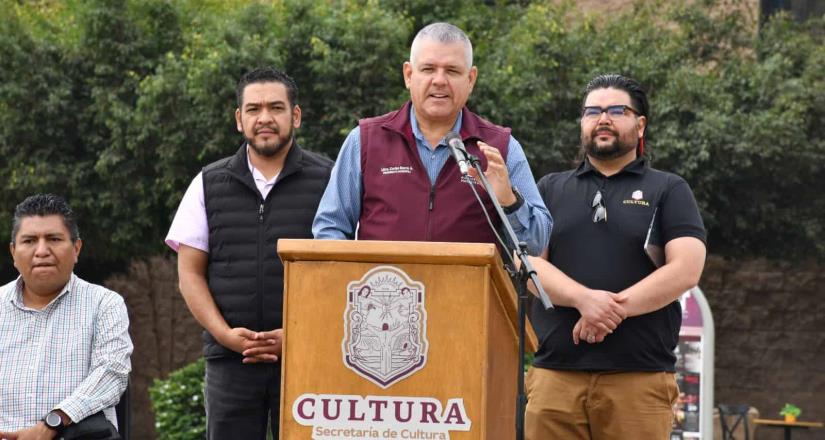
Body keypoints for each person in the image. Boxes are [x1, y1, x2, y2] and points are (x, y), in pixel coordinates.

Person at [525, 74, 707, 439]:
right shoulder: (549, 188)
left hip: (638, 380)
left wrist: (609, 311)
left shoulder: (668, 189)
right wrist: (584, 300)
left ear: (640, 125)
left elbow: (687, 268)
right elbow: (528, 263)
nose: (602, 118)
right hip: (555, 378)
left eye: (616, 110)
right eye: (592, 111)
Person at [165, 67, 332, 439]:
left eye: (276, 107)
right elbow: (189, 274)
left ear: (296, 115)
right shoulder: (208, 182)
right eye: (254, 109)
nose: (265, 118)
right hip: (230, 361)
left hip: (309, 356)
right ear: (240, 119)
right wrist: (225, 335)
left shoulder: (330, 180)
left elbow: (346, 274)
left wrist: (299, 334)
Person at [312, 22, 550, 254]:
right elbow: (329, 228)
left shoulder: (499, 148)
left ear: (470, 80)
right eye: (428, 69)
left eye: (452, 71)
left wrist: (509, 200)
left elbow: (536, 243)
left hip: (468, 293)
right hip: (383, 291)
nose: (439, 80)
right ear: (408, 75)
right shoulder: (365, 141)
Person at [0, 194, 132, 439]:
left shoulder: (104, 304)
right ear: (13, 252)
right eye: (29, 240)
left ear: (76, 248)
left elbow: (112, 373)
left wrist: (53, 422)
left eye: (54, 239)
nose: (41, 251)